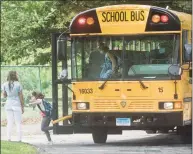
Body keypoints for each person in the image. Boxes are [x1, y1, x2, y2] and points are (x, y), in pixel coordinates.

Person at [1, 71, 24, 142]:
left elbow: (4, 95)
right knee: (18, 122)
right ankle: (19, 139)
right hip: (16, 104)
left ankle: (8, 138)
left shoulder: (4, 84)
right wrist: (22, 106)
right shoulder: (18, 84)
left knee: (9, 122)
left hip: (8, 104)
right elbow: (21, 96)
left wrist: (7, 93)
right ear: (15, 76)